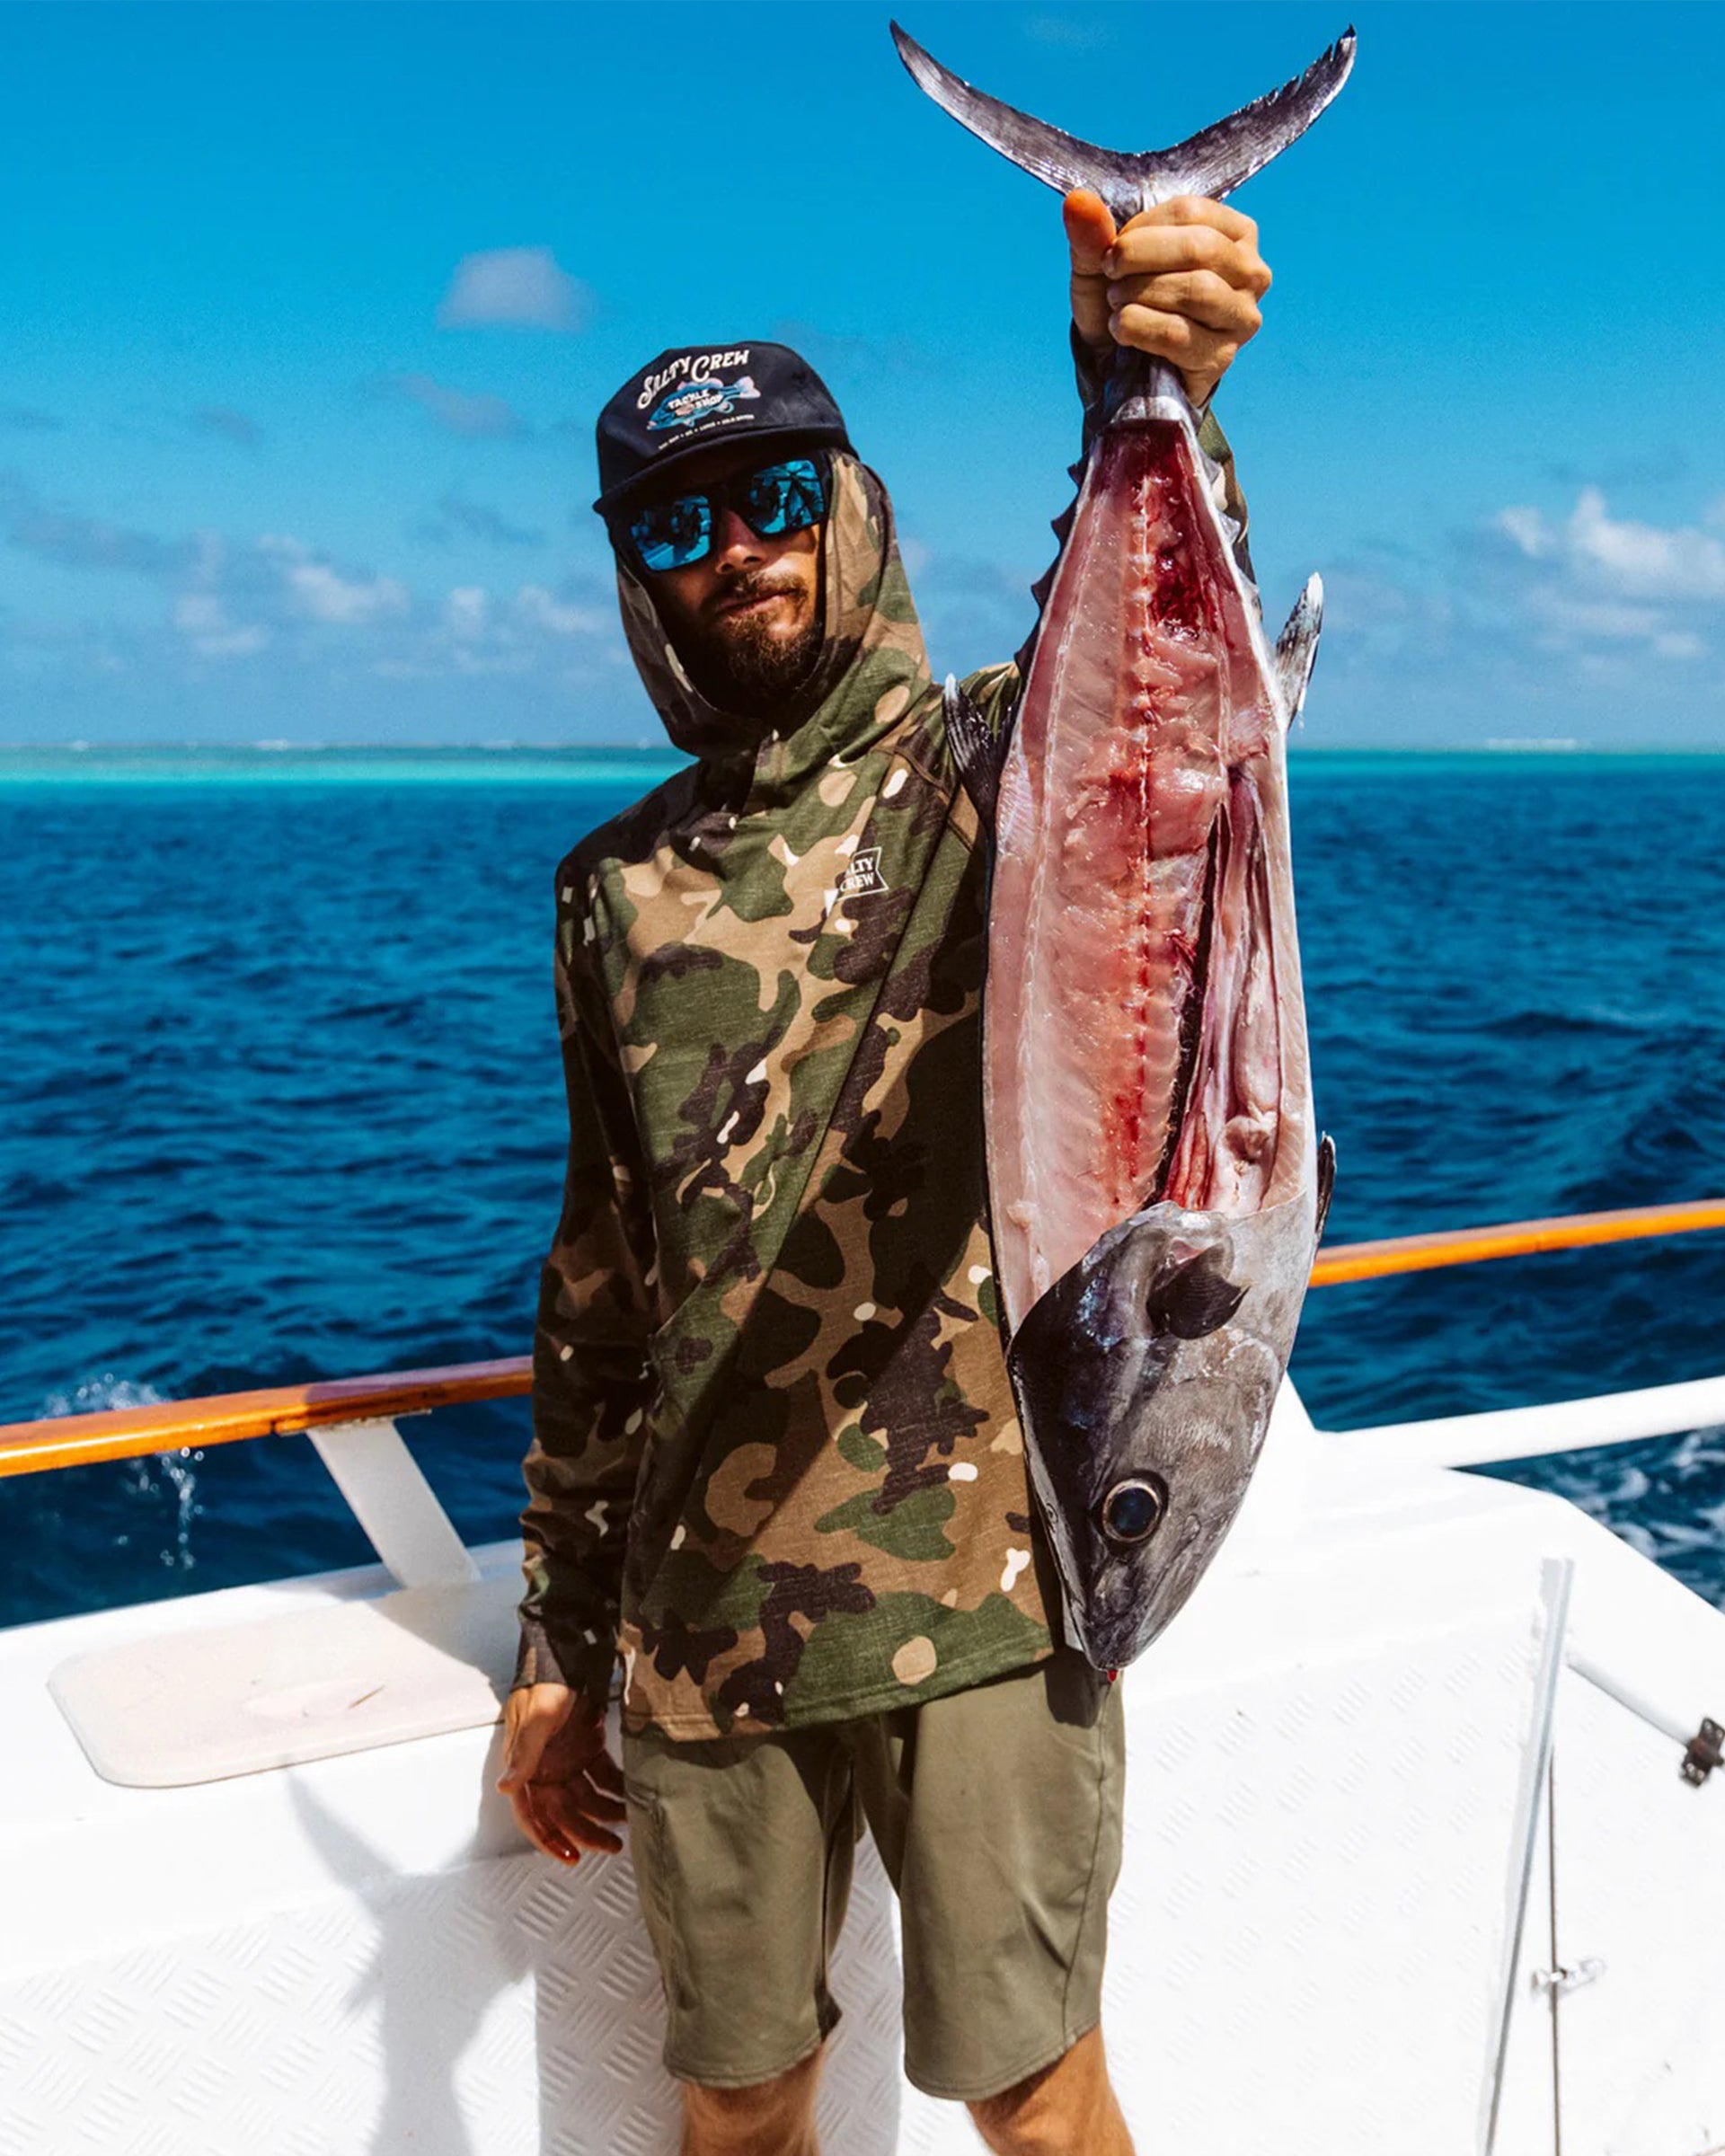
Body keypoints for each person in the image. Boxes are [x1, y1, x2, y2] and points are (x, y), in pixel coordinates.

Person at [496, 188, 1271, 2156]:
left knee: (1037, 2100)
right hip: (699, 1619)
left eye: (770, 496)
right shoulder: (607, 893)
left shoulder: (996, 769)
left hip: (993, 1588)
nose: (732, 549)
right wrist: (555, 1643)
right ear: (635, 579)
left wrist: (1149, 375)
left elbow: (1163, 705)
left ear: (849, 507)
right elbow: (601, 1290)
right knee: (738, 2105)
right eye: (674, 525)